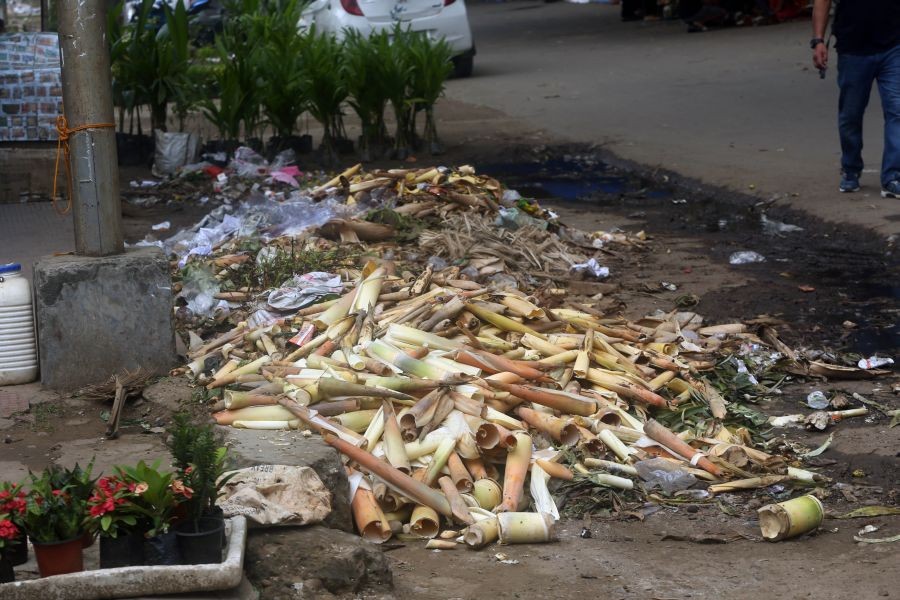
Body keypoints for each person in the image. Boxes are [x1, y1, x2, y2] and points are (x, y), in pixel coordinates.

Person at [812, 0, 900, 197]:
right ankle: (851, 169)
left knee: (897, 110)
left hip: (893, 46)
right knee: (851, 115)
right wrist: (817, 41)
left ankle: (893, 176)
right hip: (853, 49)